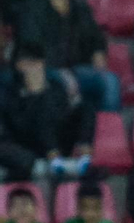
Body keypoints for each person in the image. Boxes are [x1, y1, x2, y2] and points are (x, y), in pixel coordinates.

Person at [18, 0, 120, 114]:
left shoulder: (82, 9)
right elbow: (30, 44)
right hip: (46, 69)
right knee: (63, 83)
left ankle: (108, 127)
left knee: (110, 81)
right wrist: (59, 70)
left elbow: (96, 38)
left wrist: (98, 52)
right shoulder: (33, 9)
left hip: (78, 68)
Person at [0, 44, 93, 180]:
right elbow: (17, 125)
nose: (34, 68)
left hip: (57, 138)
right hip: (28, 142)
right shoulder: (11, 93)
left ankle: (84, 157)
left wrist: (43, 93)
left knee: (85, 108)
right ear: (19, 66)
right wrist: (34, 95)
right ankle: (54, 159)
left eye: (37, 63)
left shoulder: (55, 86)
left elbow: (62, 114)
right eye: (28, 64)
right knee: (40, 113)